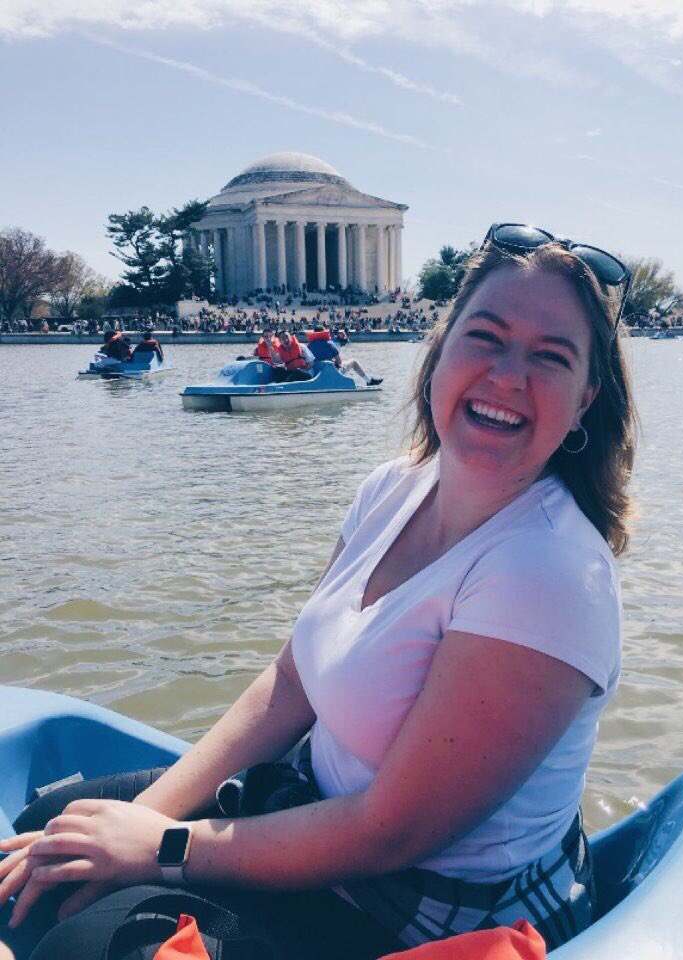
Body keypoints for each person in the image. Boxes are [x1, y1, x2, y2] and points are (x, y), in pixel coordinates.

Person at [0, 225, 637, 960]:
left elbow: (393, 831)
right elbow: (291, 678)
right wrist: (143, 819)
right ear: (441, 345)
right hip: (318, 809)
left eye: (550, 356)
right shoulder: (394, 488)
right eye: (486, 337)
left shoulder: (549, 571)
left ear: (587, 396)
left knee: (87, 942)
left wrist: (163, 848)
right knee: (55, 832)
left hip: (420, 911)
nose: (507, 375)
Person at [307, 325, 383, 386]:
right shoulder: (330, 344)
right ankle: (369, 381)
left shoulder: (309, 346)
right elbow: (339, 362)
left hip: (316, 373)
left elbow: (309, 361)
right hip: (332, 372)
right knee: (353, 362)